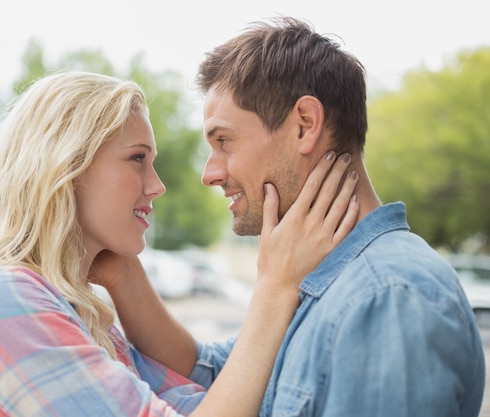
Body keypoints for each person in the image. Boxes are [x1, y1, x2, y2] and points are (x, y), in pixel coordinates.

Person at [95, 16, 485, 417]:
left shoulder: (385, 297)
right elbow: (209, 372)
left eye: (224, 141)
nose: (210, 173)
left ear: (305, 125)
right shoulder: (313, 276)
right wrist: (120, 267)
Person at [0, 70, 360, 417]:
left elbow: (211, 385)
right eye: (137, 159)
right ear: (64, 168)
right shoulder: (4, 298)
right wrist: (275, 285)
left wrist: (121, 270)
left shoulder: (75, 312)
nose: (157, 186)